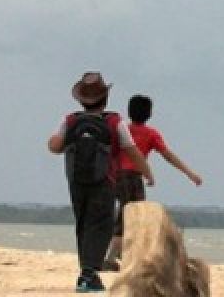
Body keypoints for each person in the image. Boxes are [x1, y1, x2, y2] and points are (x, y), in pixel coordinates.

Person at [48, 72, 153, 294]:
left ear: (81, 100)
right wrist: (147, 172)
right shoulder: (114, 121)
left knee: (83, 224)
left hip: (76, 181)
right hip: (105, 181)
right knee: (101, 225)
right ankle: (88, 275)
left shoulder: (70, 120)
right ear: (105, 98)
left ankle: (86, 271)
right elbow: (131, 151)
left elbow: (54, 146)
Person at [103, 93, 203, 270]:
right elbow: (168, 156)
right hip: (132, 177)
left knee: (128, 215)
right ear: (149, 114)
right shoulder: (151, 133)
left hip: (116, 176)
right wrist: (190, 173)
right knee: (131, 217)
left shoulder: (122, 129)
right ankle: (112, 257)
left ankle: (123, 253)